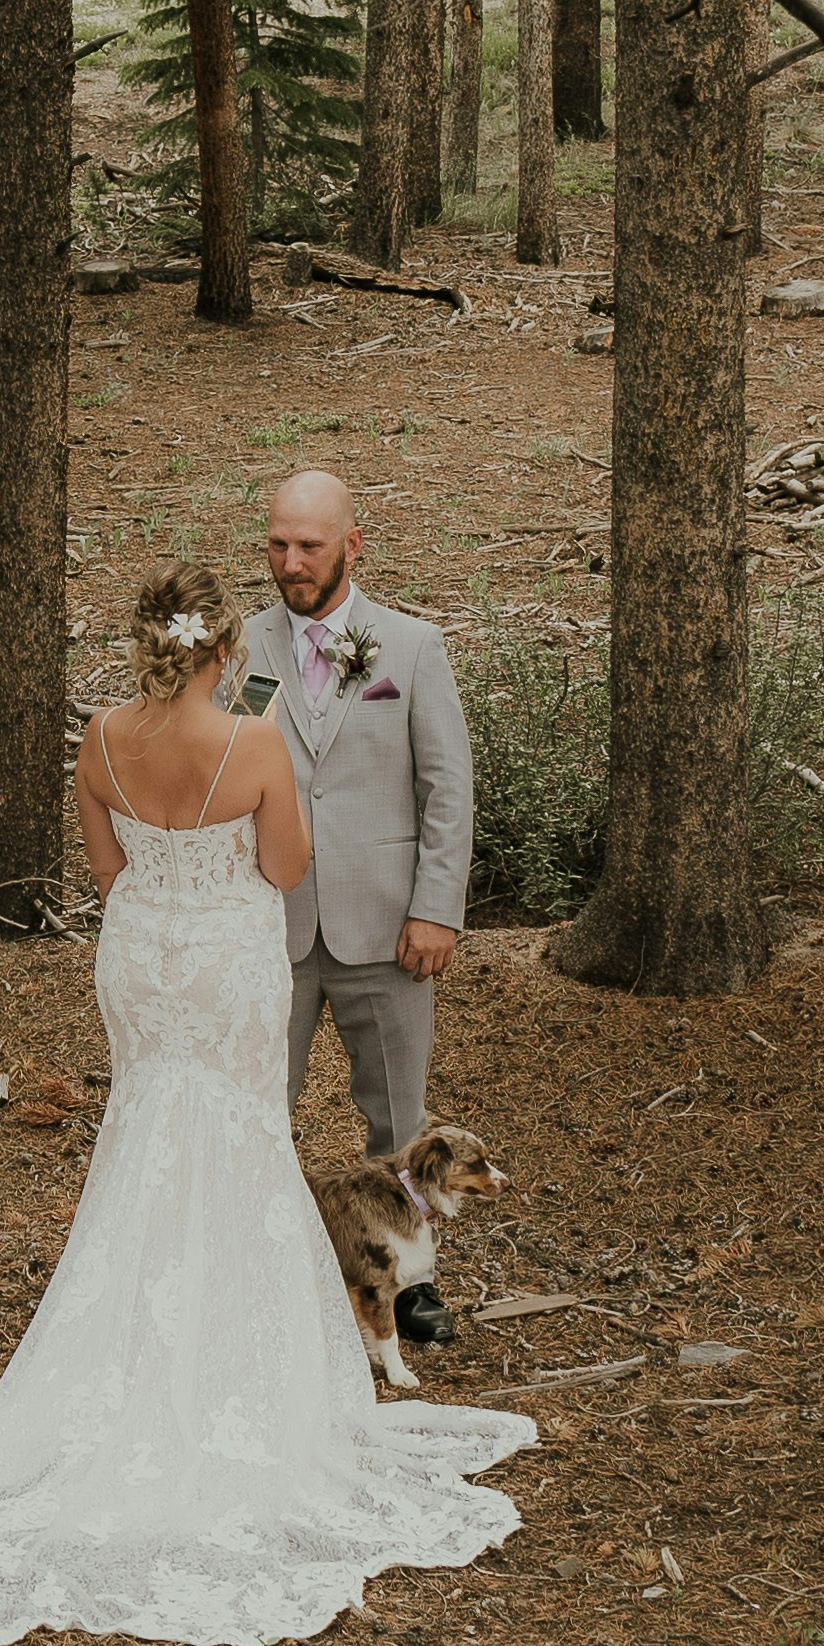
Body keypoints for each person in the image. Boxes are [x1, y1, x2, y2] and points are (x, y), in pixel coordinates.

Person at [0, 562, 532, 1646]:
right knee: (236, 1138)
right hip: (225, 958)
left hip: (142, 957)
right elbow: (281, 866)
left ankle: (130, 1346)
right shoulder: (254, 743)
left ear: (148, 644)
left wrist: (168, 883)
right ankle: (238, 1371)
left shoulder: (98, 735)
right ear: (225, 651)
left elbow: (109, 869)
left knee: (145, 1133)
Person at [243, 466, 473, 1163]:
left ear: (354, 543)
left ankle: (406, 1272)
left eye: (310, 545)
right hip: (267, 928)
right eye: (278, 544)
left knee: (400, 1125)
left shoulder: (410, 646)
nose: (291, 563)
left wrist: (436, 907)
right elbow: (222, 773)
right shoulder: (239, 647)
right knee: (253, 1114)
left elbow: (447, 787)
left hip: (386, 929)